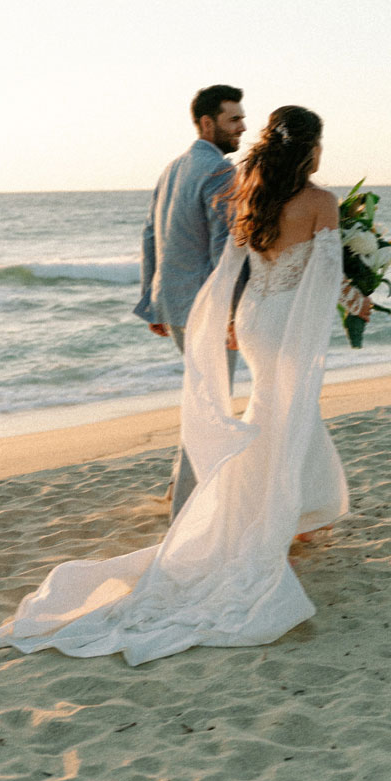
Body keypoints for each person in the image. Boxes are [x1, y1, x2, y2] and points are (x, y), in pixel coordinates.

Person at [0, 106, 371, 665]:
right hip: (286, 322)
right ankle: (274, 523)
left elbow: (231, 267)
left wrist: (223, 320)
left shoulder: (250, 191)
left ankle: (294, 516)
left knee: (274, 413)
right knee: (284, 415)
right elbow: (322, 278)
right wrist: (358, 300)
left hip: (254, 317)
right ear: (311, 147)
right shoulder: (321, 202)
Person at [133, 84, 246, 519]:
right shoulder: (219, 171)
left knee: (200, 399)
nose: (242, 127)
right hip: (206, 310)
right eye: (233, 119)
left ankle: (176, 491)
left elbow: (149, 237)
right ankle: (187, 508)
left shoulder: (172, 169)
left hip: (174, 302)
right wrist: (233, 313)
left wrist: (151, 300)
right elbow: (225, 251)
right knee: (212, 407)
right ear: (206, 122)